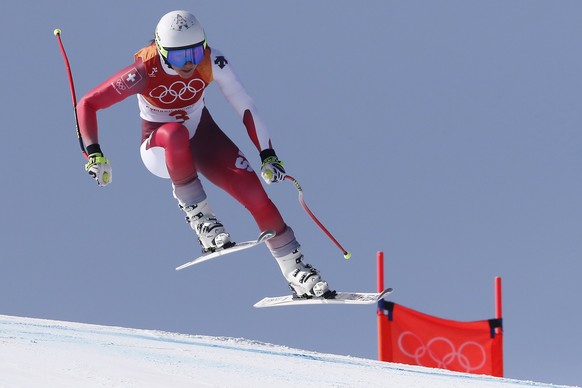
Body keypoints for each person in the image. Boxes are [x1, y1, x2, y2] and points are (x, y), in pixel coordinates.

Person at [76, 10, 335, 299]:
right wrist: (94, 154)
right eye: (177, 57)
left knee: (253, 192)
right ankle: (202, 219)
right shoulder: (143, 71)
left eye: (195, 52)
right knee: (175, 133)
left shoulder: (212, 61)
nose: (188, 63)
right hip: (161, 147)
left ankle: (296, 271)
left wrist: (268, 154)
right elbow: (87, 103)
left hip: (202, 138)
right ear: (162, 52)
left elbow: (244, 104)